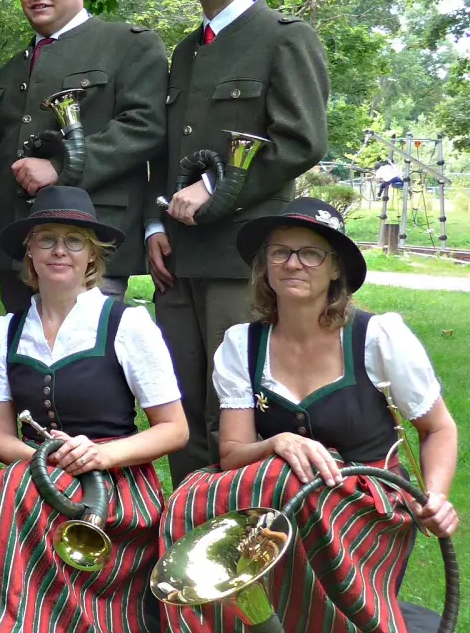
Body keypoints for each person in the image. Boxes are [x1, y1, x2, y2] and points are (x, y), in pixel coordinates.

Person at [158, 197, 458, 632]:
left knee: (289, 478)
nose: (293, 264)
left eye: (310, 253)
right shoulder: (242, 345)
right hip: (282, 498)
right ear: (265, 265)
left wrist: (437, 496)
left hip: (368, 504)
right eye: (280, 252)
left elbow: (438, 427)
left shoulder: (378, 337)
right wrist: (278, 441)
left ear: (335, 268)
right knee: (200, 493)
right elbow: (233, 455)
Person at [0, 187, 187, 633]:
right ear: (29, 250)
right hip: (33, 473)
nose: (60, 251)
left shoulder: (127, 323)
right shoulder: (6, 332)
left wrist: (101, 456)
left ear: (92, 254)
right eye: (46, 238)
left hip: (115, 483)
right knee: (8, 494)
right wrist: (48, 464)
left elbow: (174, 430)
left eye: (74, 240)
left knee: (14, 497)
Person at [145, 0, 329, 484]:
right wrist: (154, 228)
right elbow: (166, 148)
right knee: (177, 409)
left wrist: (211, 185)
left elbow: (301, 141)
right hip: (177, 257)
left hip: (241, 256)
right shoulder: (184, 50)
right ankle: (190, 537)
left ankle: (244, 540)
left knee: (234, 411)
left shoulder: (282, 37)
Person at [0, 0, 165, 314]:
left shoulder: (128, 45)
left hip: (90, 240)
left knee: (87, 364)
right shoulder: (10, 71)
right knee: (24, 359)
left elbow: (145, 127)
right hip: (17, 243)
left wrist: (60, 167)